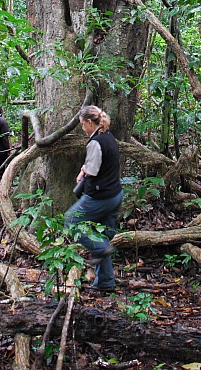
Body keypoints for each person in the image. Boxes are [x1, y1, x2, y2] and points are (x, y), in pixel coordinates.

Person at [64, 105, 123, 292]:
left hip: (100, 197)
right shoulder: (109, 137)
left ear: (90, 122)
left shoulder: (95, 142)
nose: (82, 128)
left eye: (82, 124)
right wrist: (84, 169)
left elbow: (93, 170)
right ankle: (105, 282)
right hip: (115, 195)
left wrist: (84, 172)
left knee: (70, 221)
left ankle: (101, 249)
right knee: (101, 235)